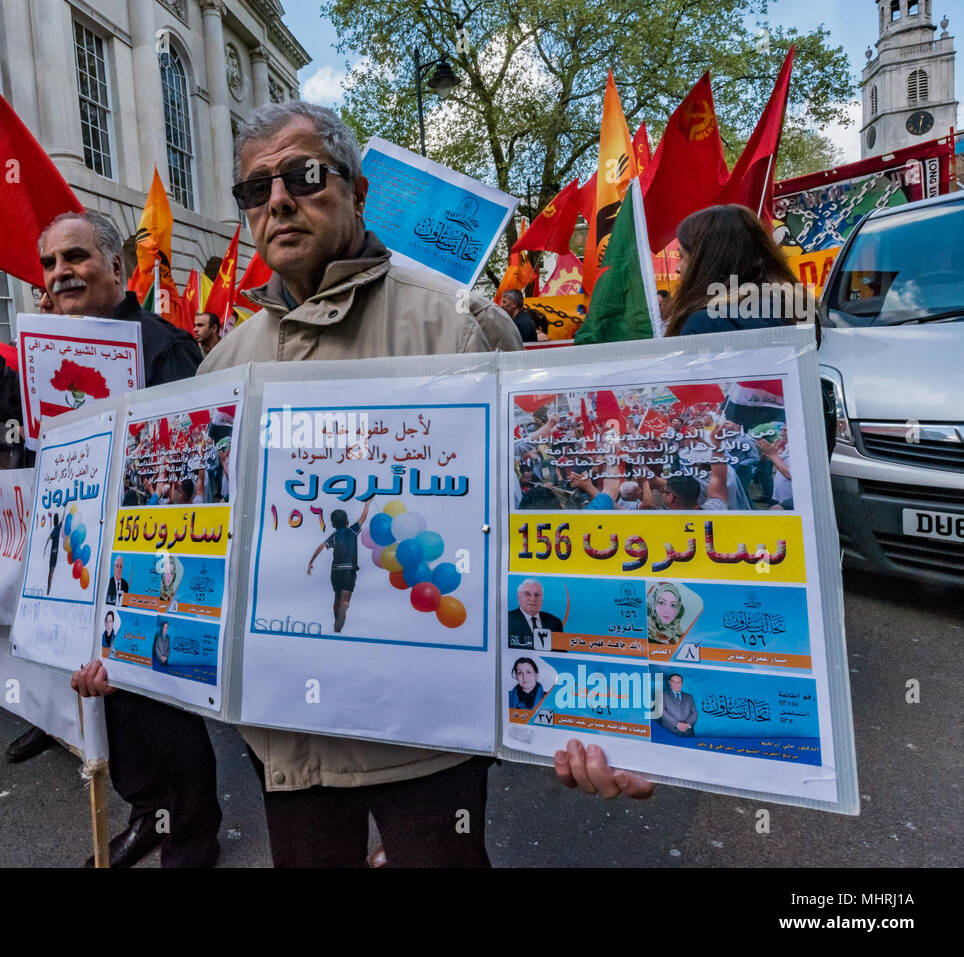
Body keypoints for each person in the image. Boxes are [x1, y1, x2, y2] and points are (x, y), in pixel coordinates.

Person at [108, 99, 650, 868]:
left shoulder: (459, 328)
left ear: (359, 192)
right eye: (255, 190)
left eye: (302, 175)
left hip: (428, 744)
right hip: (289, 737)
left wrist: (604, 713)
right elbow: (199, 550)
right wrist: (118, 644)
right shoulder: (223, 368)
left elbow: (547, 537)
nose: (278, 201)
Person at [0, 209, 219, 866]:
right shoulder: (48, 349)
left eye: (76, 257)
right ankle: (150, 812)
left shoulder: (166, 346)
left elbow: (196, 461)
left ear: (117, 268)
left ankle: (194, 836)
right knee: (103, 703)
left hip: (152, 562)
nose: (61, 273)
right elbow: (2, 406)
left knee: (161, 706)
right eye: (51, 264)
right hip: (77, 555)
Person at [664, 205, 806, 337]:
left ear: (709, 261)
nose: (677, 268)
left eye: (681, 256)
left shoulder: (706, 323)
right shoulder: (797, 306)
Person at [306, 501, 371, 633]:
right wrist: (367, 504)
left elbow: (321, 546)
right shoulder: (353, 530)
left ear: (333, 524)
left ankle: (336, 629)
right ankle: (339, 625)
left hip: (335, 572)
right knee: (344, 601)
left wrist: (311, 562)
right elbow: (363, 517)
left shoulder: (335, 535)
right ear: (347, 521)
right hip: (348, 571)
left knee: (337, 597)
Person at [508, 578, 564, 647]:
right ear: (519, 596)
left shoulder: (555, 622)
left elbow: (561, 653)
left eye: (537, 595)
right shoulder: (507, 619)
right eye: (527, 594)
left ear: (542, 598)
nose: (533, 599)